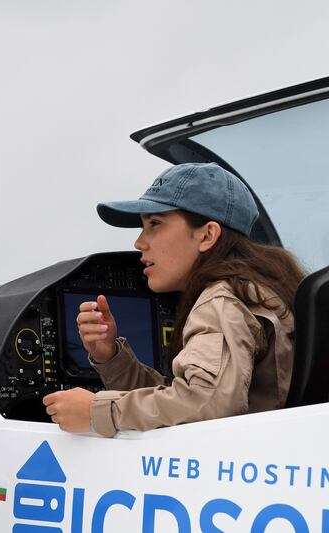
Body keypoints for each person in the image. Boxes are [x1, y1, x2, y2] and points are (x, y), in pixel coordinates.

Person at [43, 162, 304, 437]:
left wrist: (98, 411)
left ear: (207, 235)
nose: (140, 242)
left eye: (155, 224)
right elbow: (179, 402)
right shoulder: (261, 291)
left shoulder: (222, 301)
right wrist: (111, 358)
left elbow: (208, 402)